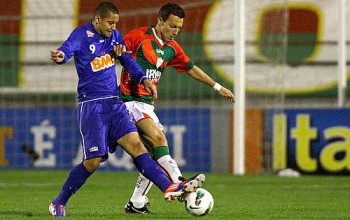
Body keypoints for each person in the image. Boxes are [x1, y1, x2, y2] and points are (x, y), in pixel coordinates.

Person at [48, 2, 200, 217]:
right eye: (110, 23)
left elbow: (127, 59)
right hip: (92, 105)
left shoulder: (115, 36)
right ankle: (59, 202)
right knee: (92, 162)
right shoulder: (81, 34)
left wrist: (143, 78)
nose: (114, 27)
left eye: (116, 23)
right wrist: (61, 56)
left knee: (138, 146)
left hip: (115, 103)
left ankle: (169, 186)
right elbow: (66, 50)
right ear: (98, 19)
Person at [119, 3, 235, 214]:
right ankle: (180, 183)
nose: (175, 31)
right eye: (172, 26)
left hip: (146, 105)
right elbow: (117, 54)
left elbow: (191, 69)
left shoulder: (172, 48)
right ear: (160, 21)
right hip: (128, 102)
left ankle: (137, 202)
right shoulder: (138, 36)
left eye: (179, 28)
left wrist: (218, 87)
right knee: (159, 140)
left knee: (153, 155)